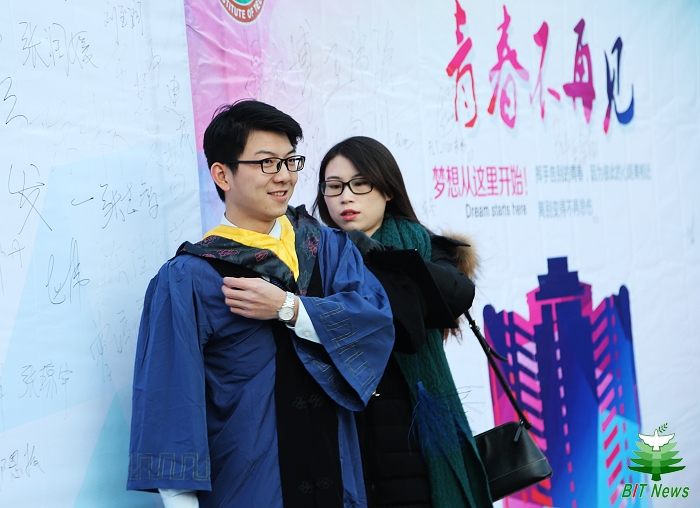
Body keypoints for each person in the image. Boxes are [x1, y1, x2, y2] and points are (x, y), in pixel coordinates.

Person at [127, 101, 395, 508]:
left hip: (336, 478)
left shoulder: (326, 248)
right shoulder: (190, 277)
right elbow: (171, 398)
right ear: (223, 174)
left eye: (290, 161)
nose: (284, 176)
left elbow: (374, 321)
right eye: (267, 163)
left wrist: (291, 308)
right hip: (251, 483)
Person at [313, 136, 493, 508]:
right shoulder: (310, 255)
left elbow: (456, 295)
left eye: (360, 184)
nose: (346, 197)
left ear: (387, 189)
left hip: (415, 435)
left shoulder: (423, 246)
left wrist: (379, 254)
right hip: (341, 432)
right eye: (334, 186)